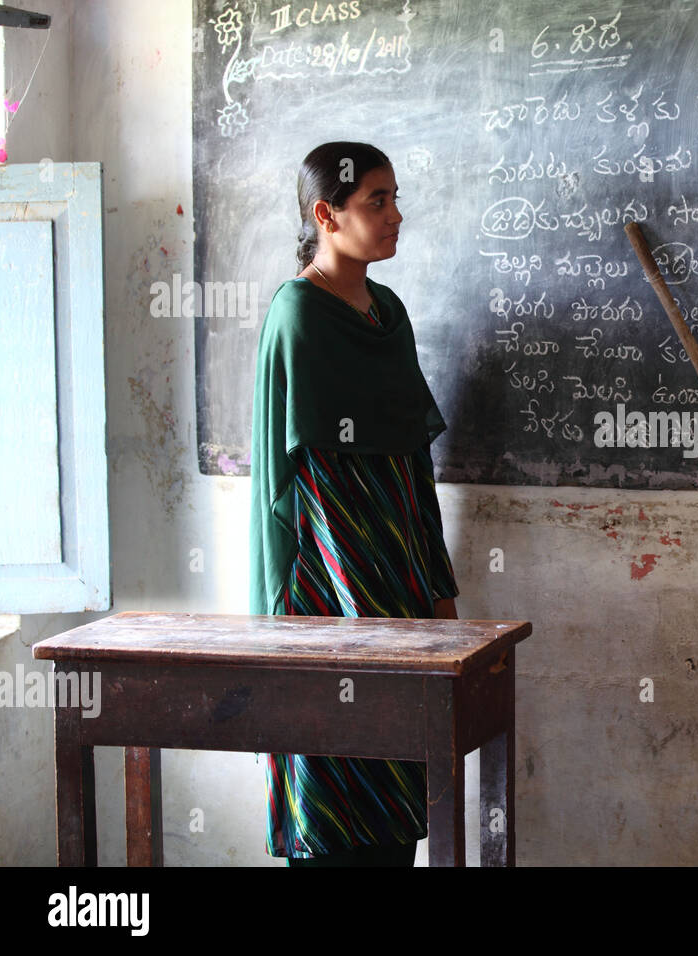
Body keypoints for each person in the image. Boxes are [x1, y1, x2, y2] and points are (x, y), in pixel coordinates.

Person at [248, 141, 459, 866]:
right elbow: (318, 486)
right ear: (325, 215)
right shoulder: (300, 314)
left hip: (397, 588)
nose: (396, 215)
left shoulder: (386, 312)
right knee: (335, 795)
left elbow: (411, 465)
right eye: (377, 201)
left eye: (396, 197)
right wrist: (370, 621)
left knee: (399, 796)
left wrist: (435, 587)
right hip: (333, 602)